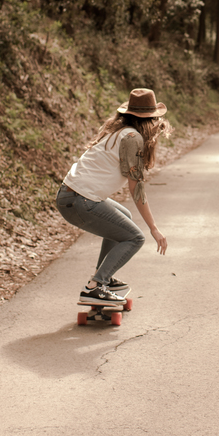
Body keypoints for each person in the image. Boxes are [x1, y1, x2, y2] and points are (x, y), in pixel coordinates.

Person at [56, 88, 171, 304]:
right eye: (155, 120)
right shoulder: (132, 138)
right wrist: (154, 228)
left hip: (70, 195)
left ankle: (103, 279)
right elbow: (136, 187)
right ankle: (96, 286)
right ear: (149, 121)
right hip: (79, 200)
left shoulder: (118, 133)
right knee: (135, 237)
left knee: (123, 215)